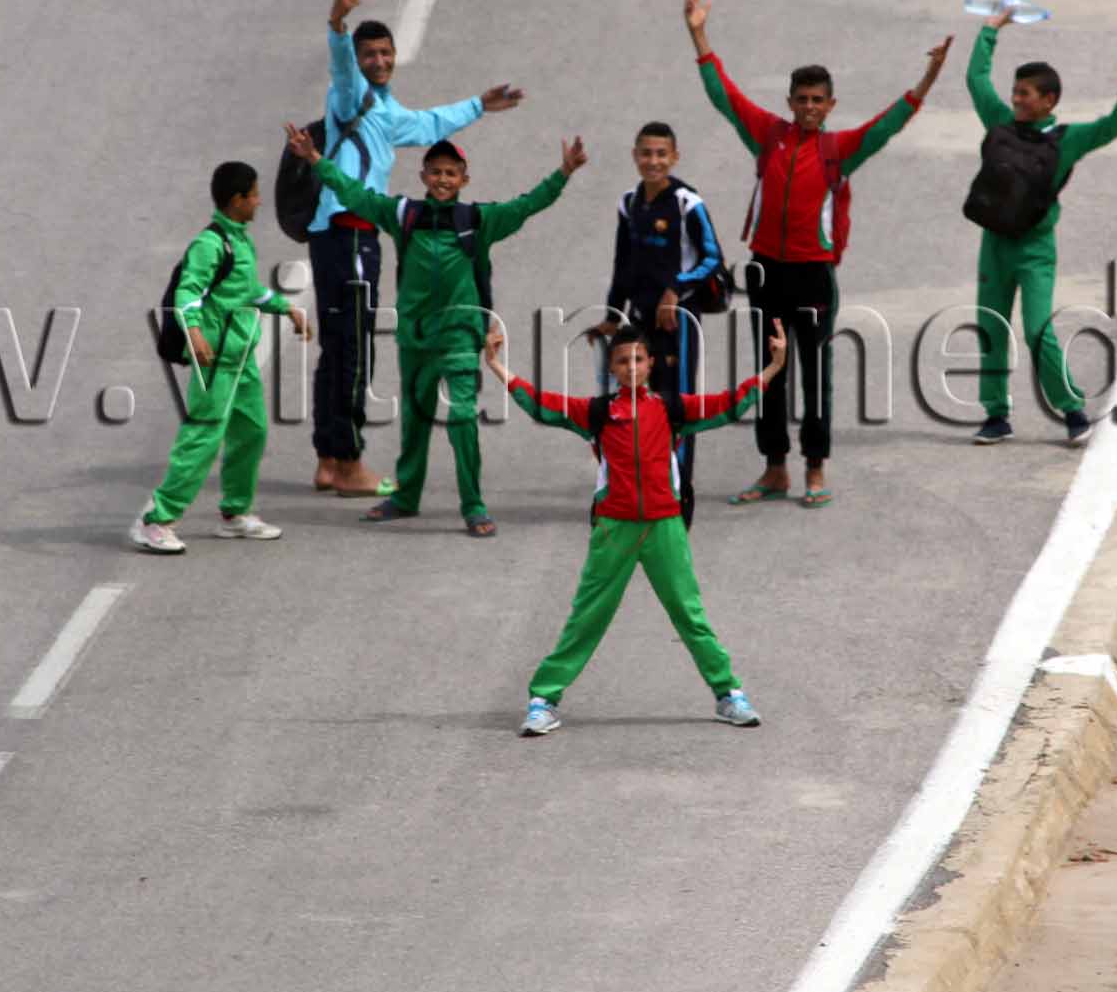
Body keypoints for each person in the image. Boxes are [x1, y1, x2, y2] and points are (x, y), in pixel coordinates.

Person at [683, 0, 953, 510]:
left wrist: (929, 75)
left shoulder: (839, 150)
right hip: (765, 271)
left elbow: (891, 123)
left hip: (812, 276)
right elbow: (725, 96)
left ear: (830, 106)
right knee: (768, 371)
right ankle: (774, 469)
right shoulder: (767, 134)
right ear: (790, 103)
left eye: (817, 101)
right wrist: (699, 35)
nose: (808, 107)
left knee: (815, 374)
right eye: (801, 100)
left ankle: (814, 468)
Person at [485, 319, 786, 736]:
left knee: (689, 614)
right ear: (612, 367)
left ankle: (728, 694)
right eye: (622, 360)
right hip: (614, 530)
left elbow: (727, 404)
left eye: (638, 359)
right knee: (587, 617)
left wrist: (771, 370)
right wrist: (497, 366)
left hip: (664, 527)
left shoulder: (671, 408)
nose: (630, 366)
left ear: (649, 366)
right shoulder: (596, 413)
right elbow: (542, 404)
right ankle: (543, 700)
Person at [285, 121, 583, 537]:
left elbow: (526, 205)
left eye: (451, 173)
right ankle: (406, 498)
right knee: (415, 417)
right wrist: (315, 159)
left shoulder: (478, 220)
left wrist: (563, 173)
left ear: (464, 179)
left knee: (462, 418)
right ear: (424, 177)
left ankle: (473, 505)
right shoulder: (404, 215)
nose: (443, 179)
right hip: (415, 336)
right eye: (436, 172)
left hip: (460, 336)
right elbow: (354, 194)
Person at [307, 0, 526, 500]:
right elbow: (339, 61)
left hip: (338, 235)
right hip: (349, 231)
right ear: (357, 60)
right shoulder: (349, 91)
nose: (378, 61)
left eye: (385, 53)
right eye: (369, 54)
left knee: (339, 346)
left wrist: (479, 105)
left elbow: (428, 125)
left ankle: (328, 456)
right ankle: (350, 462)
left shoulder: (383, 109)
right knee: (356, 349)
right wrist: (337, 22)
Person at [962, 8, 1117, 445]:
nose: (1016, 99)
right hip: (994, 244)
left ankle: (1071, 408)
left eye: (1026, 93)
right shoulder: (999, 123)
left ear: (1049, 101)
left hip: (1034, 251)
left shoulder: (1066, 140)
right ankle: (996, 414)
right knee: (991, 325)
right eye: (1015, 92)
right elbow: (976, 80)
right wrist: (989, 31)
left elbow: (1113, 126)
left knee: (1037, 330)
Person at [133, 161, 312, 554]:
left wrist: (287, 308)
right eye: (254, 195)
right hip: (215, 359)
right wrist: (194, 332)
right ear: (237, 200)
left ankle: (235, 513)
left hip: (240, 355)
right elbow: (187, 292)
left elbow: (247, 290)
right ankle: (158, 519)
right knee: (203, 436)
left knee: (252, 431)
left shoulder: (240, 241)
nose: (260, 201)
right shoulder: (210, 245)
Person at [592, 121, 726, 525]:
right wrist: (612, 316)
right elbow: (622, 265)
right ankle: (633, 491)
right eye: (646, 154)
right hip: (638, 320)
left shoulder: (686, 203)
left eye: (661, 154)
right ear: (635, 156)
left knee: (676, 405)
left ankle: (678, 497)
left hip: (679, 322)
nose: (653, 161)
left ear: (675, 157)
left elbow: (712, 258)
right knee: (630, 402)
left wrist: (675, 289)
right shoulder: (629, 203)